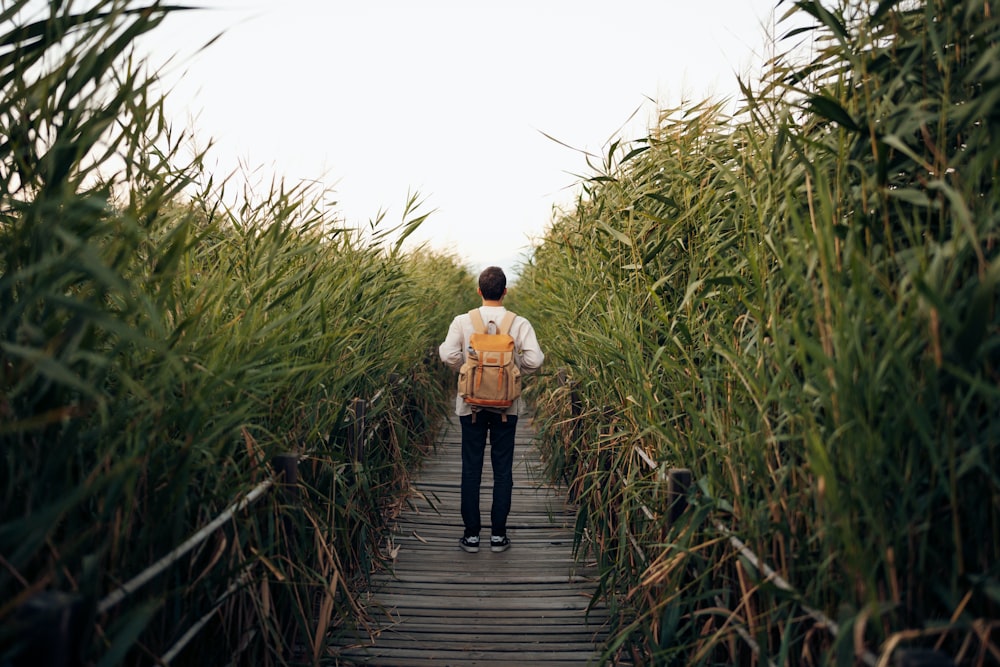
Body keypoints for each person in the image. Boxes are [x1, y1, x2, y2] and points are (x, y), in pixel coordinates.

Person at [439, 266, 544, 553]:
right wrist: (512, 369)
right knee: (503, 471)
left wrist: (467, 368)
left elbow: (447, 353)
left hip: (469, 405)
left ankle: (471, 536)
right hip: (506, 407)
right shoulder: (518, 323)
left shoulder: (463, 321)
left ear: (479, 290)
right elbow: (535, 360)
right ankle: (498, 536)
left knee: (471, 469)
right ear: (505, 291)